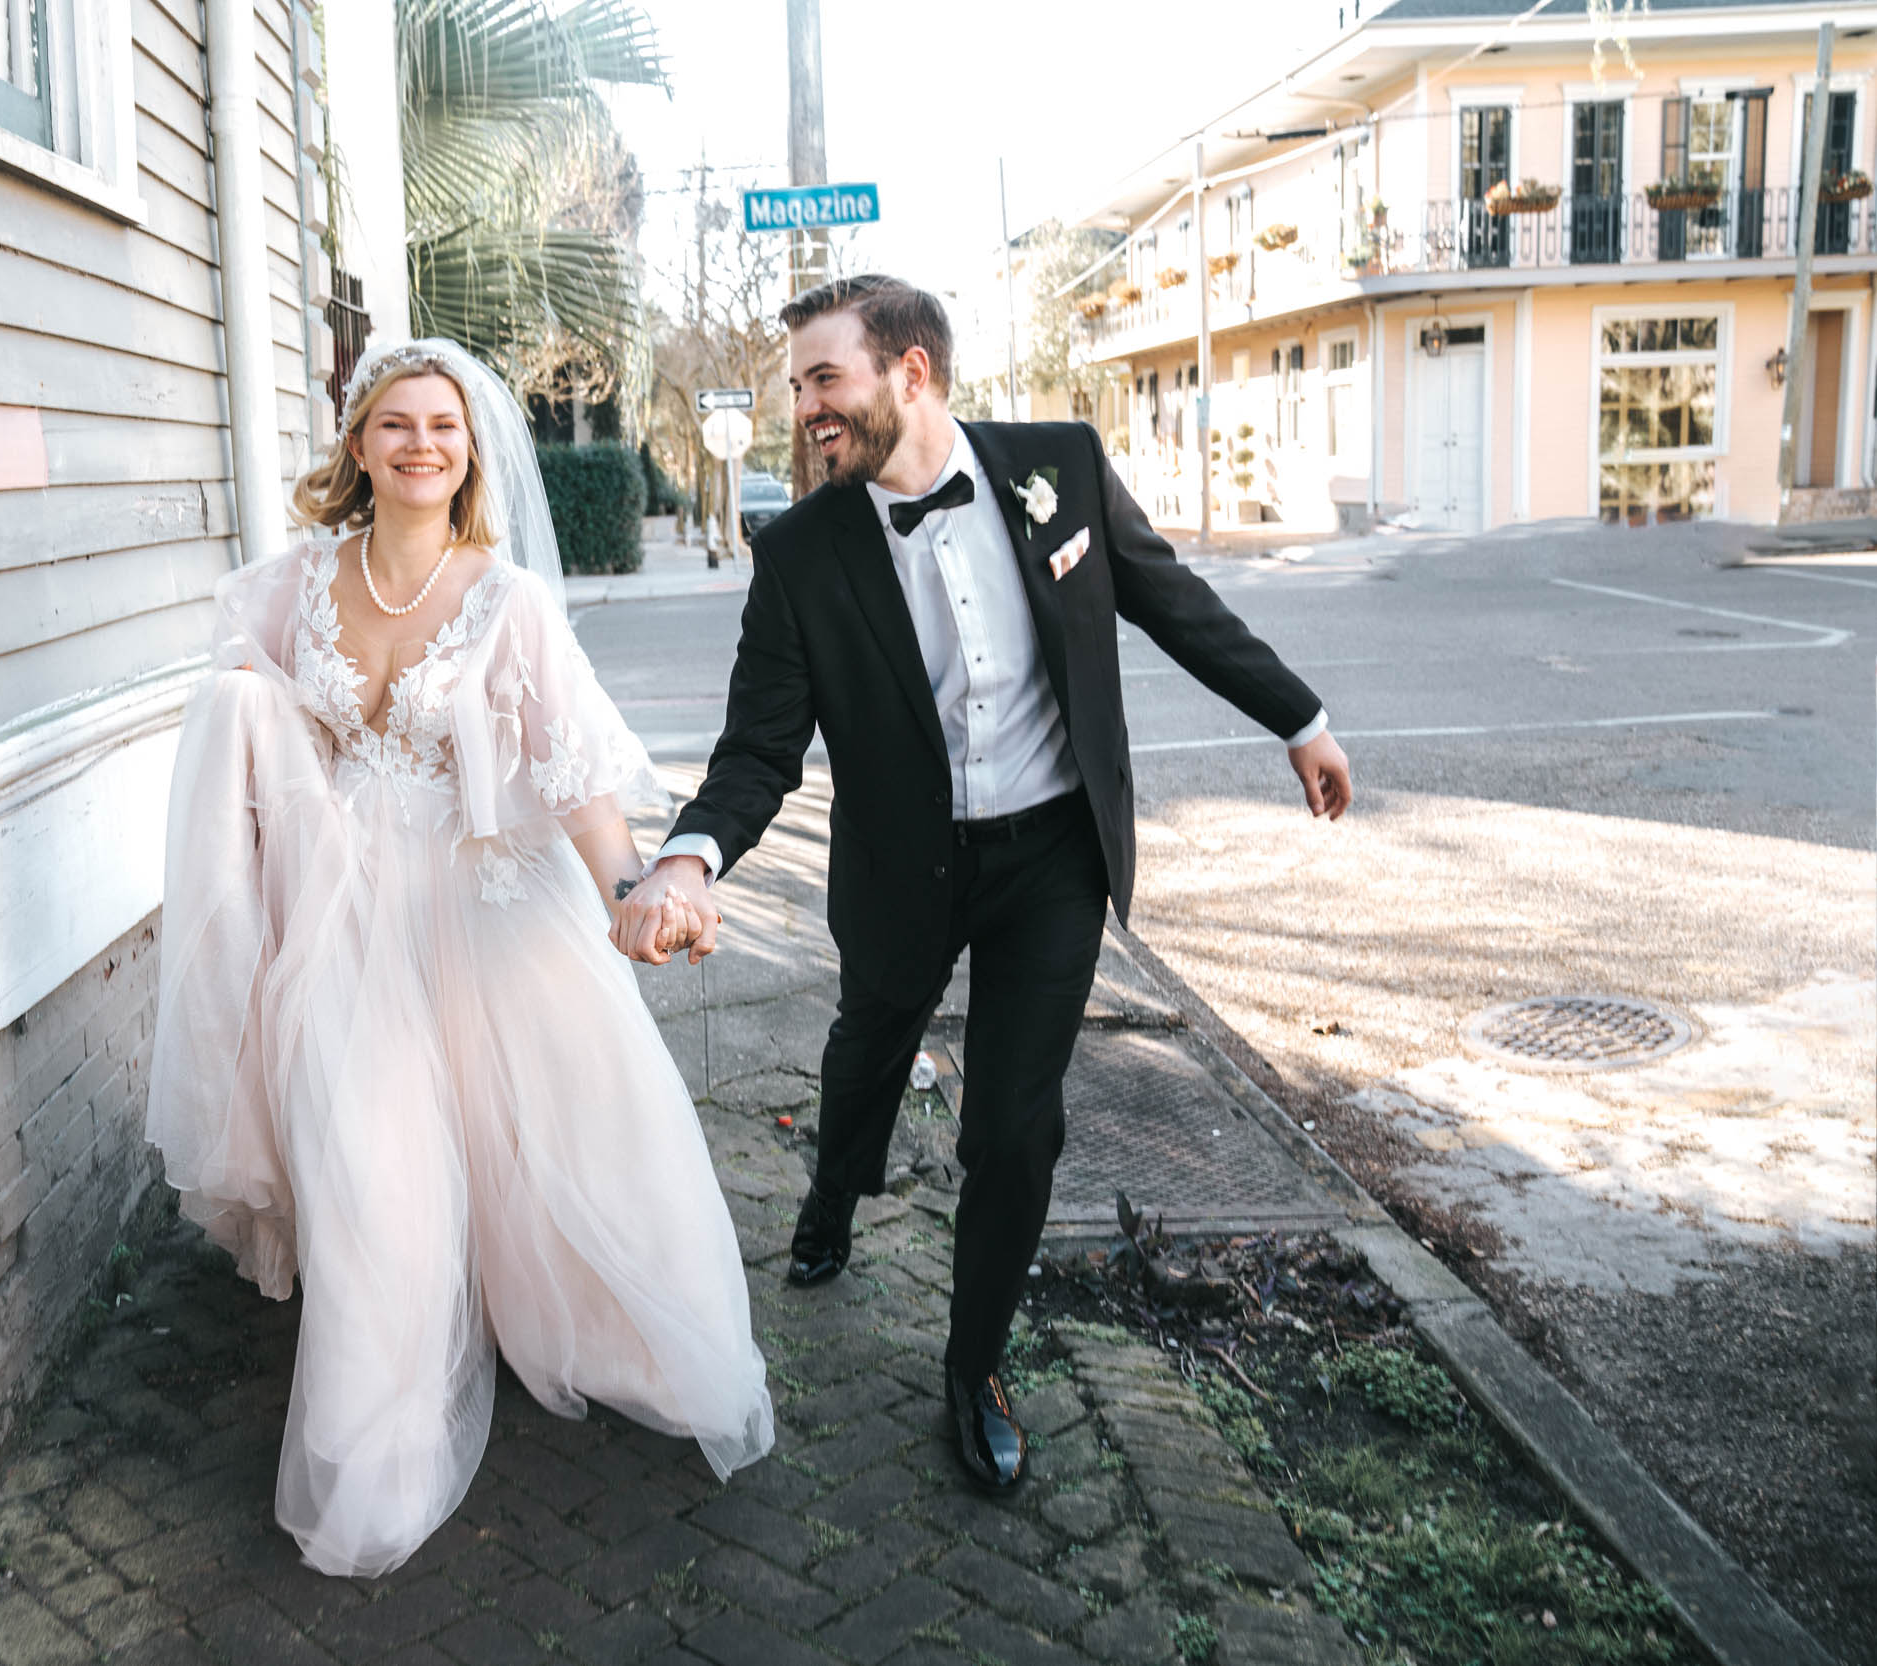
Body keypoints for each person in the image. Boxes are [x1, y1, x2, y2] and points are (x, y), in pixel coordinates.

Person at [613, 276, 1351, 1492]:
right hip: (903, 867)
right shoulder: (799, 551)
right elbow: (757, 750)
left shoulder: (1053, 464)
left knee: (1012, 1124)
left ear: (909, 372)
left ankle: (972, 1363)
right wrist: (686, 855)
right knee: (866, 1047)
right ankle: (830, 1196)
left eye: (823, 379)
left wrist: (1298, 717)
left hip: (1052, 856)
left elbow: (1171, 600)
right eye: (796, 385)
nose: (803, 407)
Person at [146, 339, 773, 1578]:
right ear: (358, 443)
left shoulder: (508, 600)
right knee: (374, 1171)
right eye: (394, 423)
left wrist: (630, 891)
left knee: (550, 1143)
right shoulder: (284, 590)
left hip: (488, 906)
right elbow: (243, 743)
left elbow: (576, 777)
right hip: (337, 921)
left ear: (471, 448)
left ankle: (600, 1332)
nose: (419, 442)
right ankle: (376, 1435)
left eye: (442, 424)